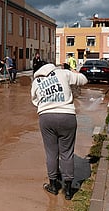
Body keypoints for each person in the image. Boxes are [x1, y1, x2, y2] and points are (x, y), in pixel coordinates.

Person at [31, 61, 88, 200]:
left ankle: (53, 186)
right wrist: (73, 70)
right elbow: (84, 80)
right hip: (67, 116)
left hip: (46, 117)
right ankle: (68, 190)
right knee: (67, 153)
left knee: (51, 153)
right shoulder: (63, 73)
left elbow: (34, 101)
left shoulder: (36, 81)